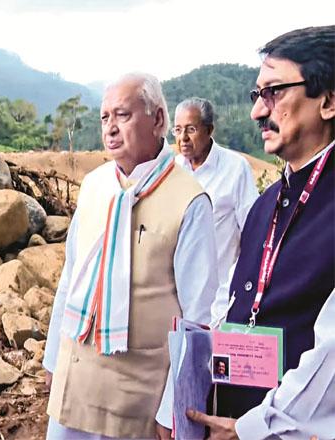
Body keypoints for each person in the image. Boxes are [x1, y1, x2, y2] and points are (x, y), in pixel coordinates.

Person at [43, 73, 218, 439]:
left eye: (122, 115)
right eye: (105, 117)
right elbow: (70, 277)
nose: (110, 128)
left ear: (157, 120)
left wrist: (175, 405)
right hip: (75, 381)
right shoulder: (95, 185)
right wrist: (52, 360)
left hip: (138, 397)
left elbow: (198, 318)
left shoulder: (189, 201)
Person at [188, 25, 335, 438]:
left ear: (328, 101)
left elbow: (331, 356)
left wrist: (252, 428)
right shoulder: (265, 205)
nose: (257, 112)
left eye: (274, 92)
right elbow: (229, 301)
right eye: (257, 95)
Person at [174, 97, 258, 290]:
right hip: (179, 292)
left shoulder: (235, 168)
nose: (183, 138)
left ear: (209, 130)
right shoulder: (173, 170)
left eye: (191, 129)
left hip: (221, 291)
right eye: (178, 130)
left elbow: (252, 231)